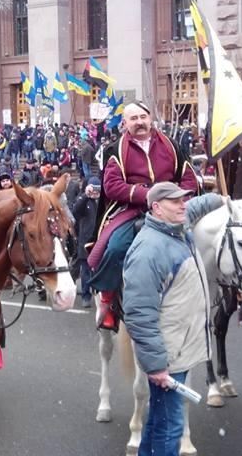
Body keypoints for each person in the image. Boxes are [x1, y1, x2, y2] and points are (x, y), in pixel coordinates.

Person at [122, 182, 224, 456]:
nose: (183, 205)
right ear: (156, 208)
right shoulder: (149, 250)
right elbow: (139, 314)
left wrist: (220, 199)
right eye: (176, 202)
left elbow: (195, 207)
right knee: (171, 426)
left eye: (184, 200)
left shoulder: (174, 227)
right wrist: (155, 366)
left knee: (159, 419)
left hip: (176, 347)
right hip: (168, 353)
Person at [88, 103, 199, 331]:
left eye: (143, 117)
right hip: (133, 209)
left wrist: (174, 199)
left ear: (151, 119)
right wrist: (148, 195)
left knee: (204, 244)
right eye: (133, 118)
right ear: (125, 124)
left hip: (170, 208)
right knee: (116, 248)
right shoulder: (115, 150)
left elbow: (189, 179)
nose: (139, 122)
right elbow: (112, 186)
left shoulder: (171, 146)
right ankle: (108, 300)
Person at [72, 177, 101, 308]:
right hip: (85, 241)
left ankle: (99, 294)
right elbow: (76, 211)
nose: (95, 192)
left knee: (99, 269)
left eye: (97, 189)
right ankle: (86, 295)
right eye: (93, 188)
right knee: (85, 270)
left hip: (99, 240)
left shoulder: (102, 201)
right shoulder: (83, 200)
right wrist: (85, 195)